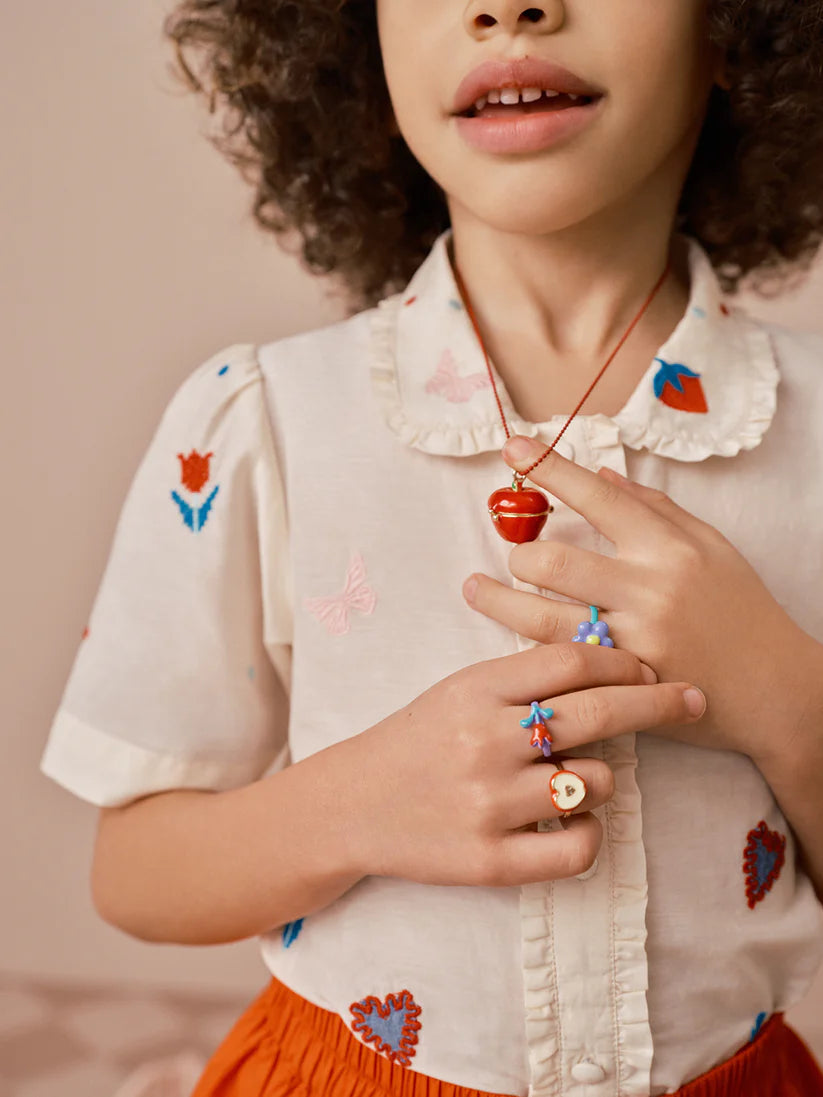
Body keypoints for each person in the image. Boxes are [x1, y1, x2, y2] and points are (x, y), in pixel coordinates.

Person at [38, 0, 823, 1094]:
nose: (508, 6)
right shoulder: (262, 419)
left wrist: (782, 692)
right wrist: (360, 800)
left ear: (740, 30)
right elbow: (134, 873)